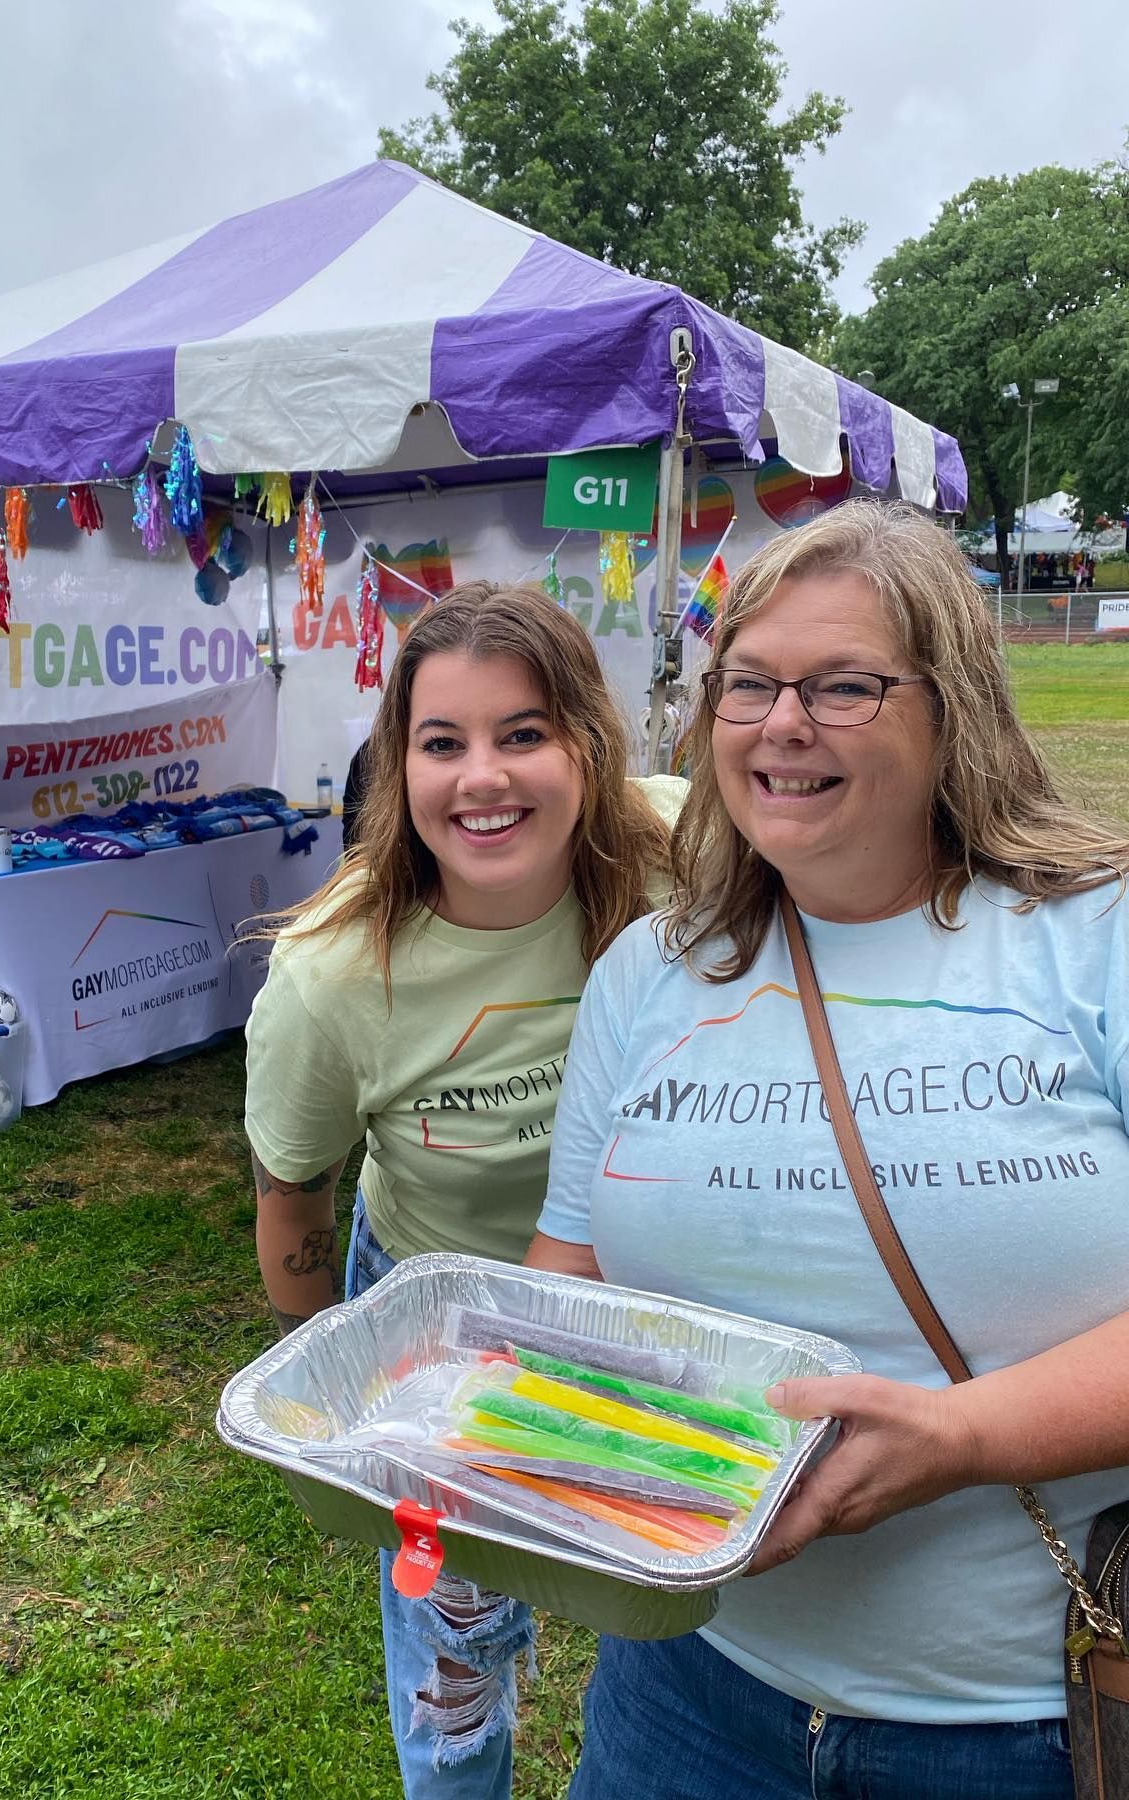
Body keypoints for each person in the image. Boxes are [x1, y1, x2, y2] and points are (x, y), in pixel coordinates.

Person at [528, 501, 1129, 1800]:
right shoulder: (647, 972)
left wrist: (961, 1437)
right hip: (684, 1698)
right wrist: (498, 1443)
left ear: (949, 705)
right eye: (748, 684)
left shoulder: (1100, 945)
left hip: (1025, 1732)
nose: (780, 724)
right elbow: (568, 1272)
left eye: (843, 686)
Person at [244, 581, 685, 1798]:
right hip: (443, 1319)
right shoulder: (335, 973)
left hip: (645, 1288)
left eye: (523, 733)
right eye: (443, 743)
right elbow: (293, 1200)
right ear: (399, 767)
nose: (482, 776)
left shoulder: (680, 855)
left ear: (590, 747)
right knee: (461, 1648)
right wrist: (339, 1398)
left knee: (667, 1554)